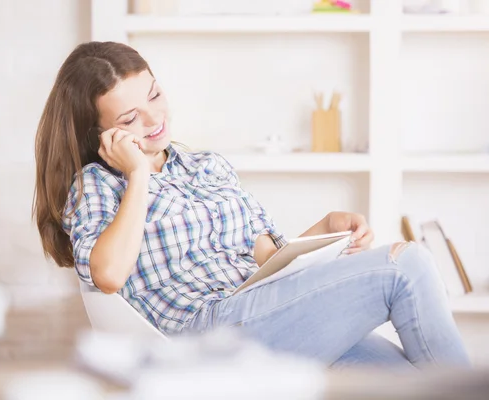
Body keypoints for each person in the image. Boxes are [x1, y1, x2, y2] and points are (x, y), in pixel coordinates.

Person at [33, 41, 470, 369]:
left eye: (154, 94)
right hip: (205, 335)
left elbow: (269, 259)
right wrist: (139, 175)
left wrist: (325, 230)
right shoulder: (96, 185)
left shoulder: (207, 166)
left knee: (412, 383)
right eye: (129, 119)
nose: (153, 118)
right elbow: (107, 276)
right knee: (406, 266)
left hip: (266, 311)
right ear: (101, 135)